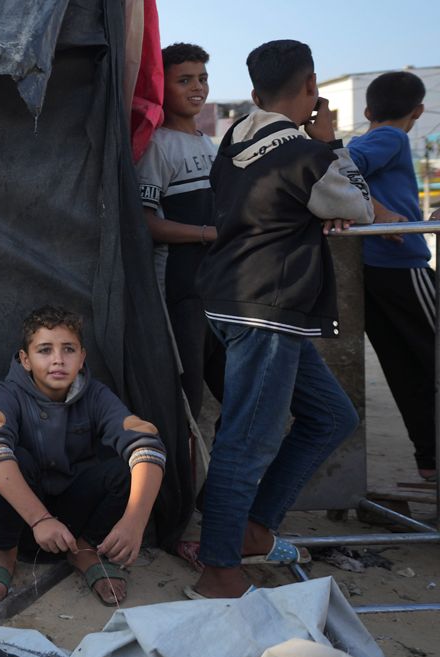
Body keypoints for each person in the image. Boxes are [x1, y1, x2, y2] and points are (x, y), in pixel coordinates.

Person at [190, 40, 374, 599]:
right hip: (267, 310)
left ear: (253, 94)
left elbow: (275, 206)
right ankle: (218, 569)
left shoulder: (235, 136)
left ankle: (251, 528)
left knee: (331, 416)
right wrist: (332, 145)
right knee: (248, 440)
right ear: (312, 86)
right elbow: (359, 207)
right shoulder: (307, 154)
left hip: (231, 300)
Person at [0, 306, 165, 607]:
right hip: (21, 513)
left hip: (72, 513)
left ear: (82, 357)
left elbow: (146, 443)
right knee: (6, 461)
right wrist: (40, 518)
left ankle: (84, 551)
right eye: (45, 350)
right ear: (25, 360)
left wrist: (135, 521)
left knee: (123, 470)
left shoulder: (96, 395)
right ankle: (4, 554)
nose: (58, 360)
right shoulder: (8, 393)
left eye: (68, 350)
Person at [347, 71, 434, 482]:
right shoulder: (392, 138)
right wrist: (381, 214)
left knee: (405, 370)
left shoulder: (360, 139)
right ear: (417, 111)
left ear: (367, 110)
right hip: (403, 266)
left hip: (373, 272)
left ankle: (429, 460)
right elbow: (343, 169)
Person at [135, 42, 225, 421]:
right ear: (162, 88)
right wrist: (209, 234)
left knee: (239, 397)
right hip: (178, 293)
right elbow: (146, 223)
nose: (197, 88)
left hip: (218, 292)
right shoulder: (156, 147)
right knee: (185, 404)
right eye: (184, 80)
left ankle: (221, 482)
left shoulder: (212, 144)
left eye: (202, 78)